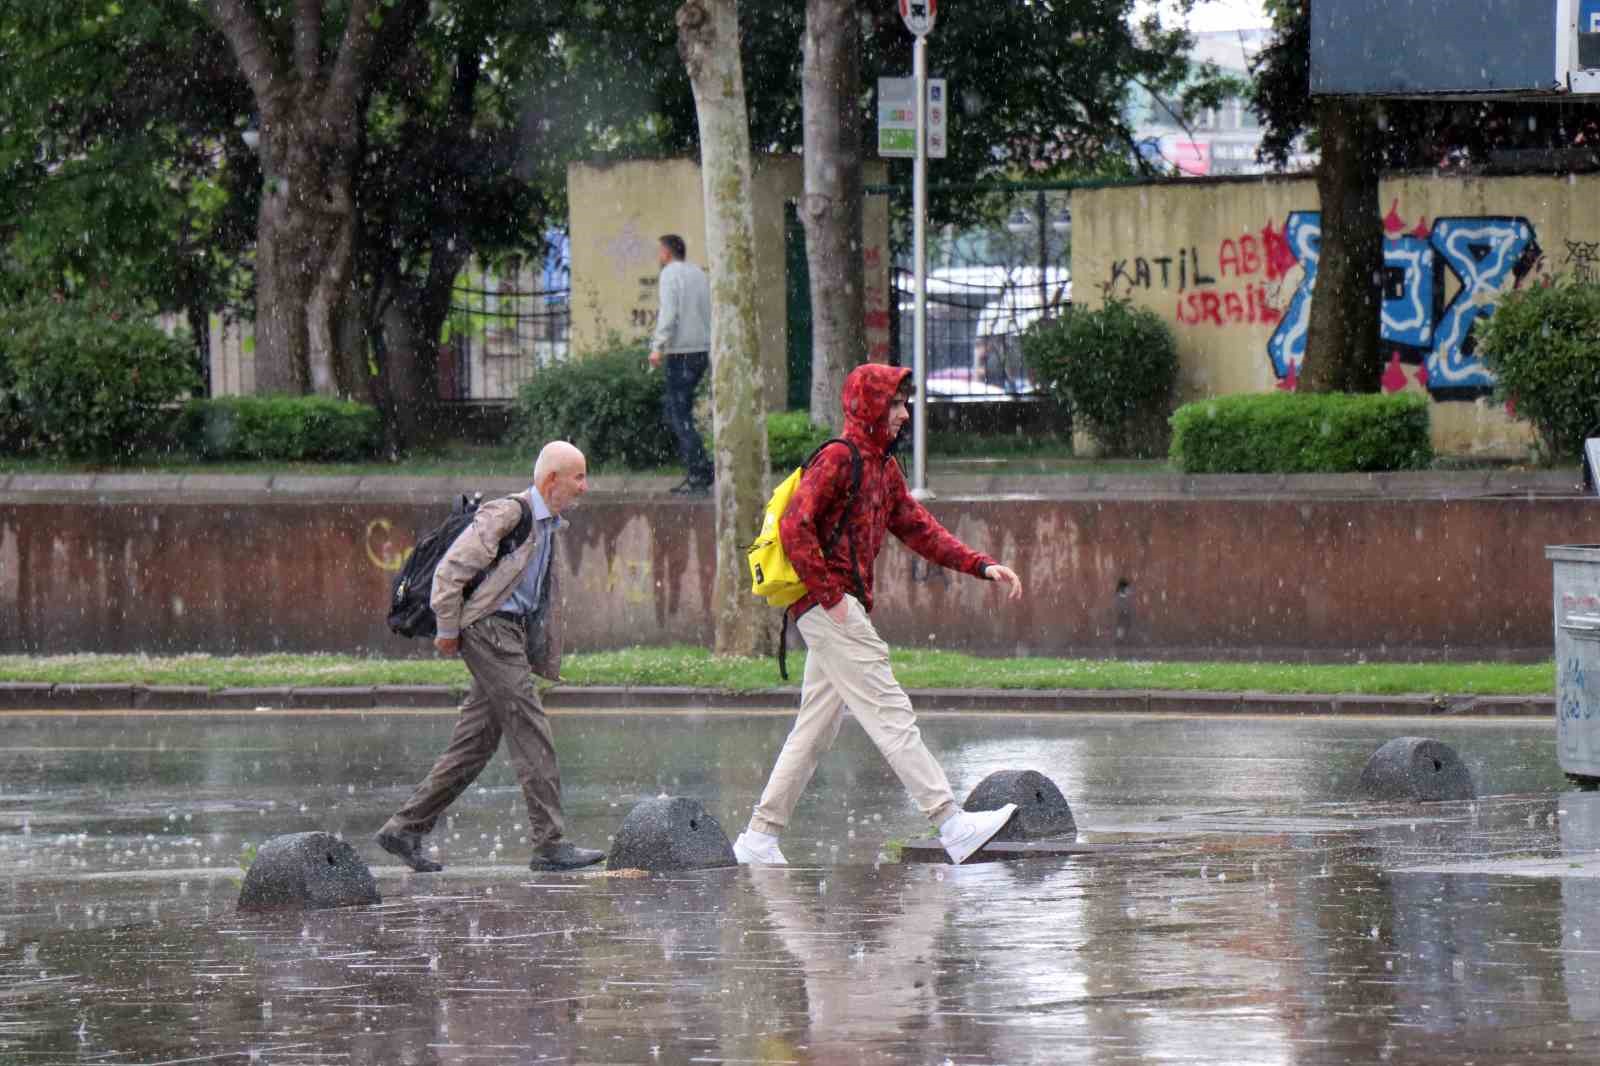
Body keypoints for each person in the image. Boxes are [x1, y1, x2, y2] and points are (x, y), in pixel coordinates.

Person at [732, 364, 1027, 867]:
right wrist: (830, 598)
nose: (903, 413)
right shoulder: (839, 459)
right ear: (868, 406)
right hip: (832, 608)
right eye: (894, 404)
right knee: (889, 710)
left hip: (835, 608)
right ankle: (951, 822)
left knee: (815, 727)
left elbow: (919, 529)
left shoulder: (882, 469)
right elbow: (793, 526)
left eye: (904, 404)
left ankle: (759, 837)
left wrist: (981, 565)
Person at [374, 440, 606, 873]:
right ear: (550, 480)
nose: (584, 487)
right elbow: (450, 570)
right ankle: (550, 843)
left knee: (474, 745)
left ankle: (404, 829)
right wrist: (446, 628)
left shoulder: (549, 524)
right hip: (489, 629)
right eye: (578, 477)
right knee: (531, 729)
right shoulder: (509, 514)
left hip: (508, 634)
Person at [647, 234, 714, 495]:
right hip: (701, 351)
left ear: (666, 252)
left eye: (659, 251)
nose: (658, 256)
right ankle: (701, 468)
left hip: (681, 352)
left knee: (678, 414)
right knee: (680, 410)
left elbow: (669, 312)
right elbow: (709, 311)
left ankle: (700, 471)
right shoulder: (698, 273)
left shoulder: (669, 275)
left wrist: (657, 346)